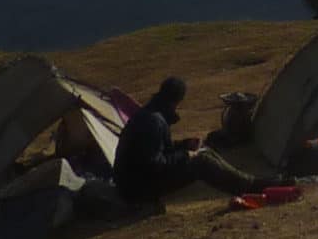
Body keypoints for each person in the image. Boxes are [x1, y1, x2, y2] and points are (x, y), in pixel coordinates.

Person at [113, 77, 264, 206]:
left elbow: (159, 151)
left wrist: (185, 144)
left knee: (203, 152)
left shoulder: (151, 114)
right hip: (137, 189)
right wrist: (186, 154)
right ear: (176, 99)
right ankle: (250, 187)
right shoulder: (154, 121)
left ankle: (250, 183)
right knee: (200, 162)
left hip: (134, 183)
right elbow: (154, 164)